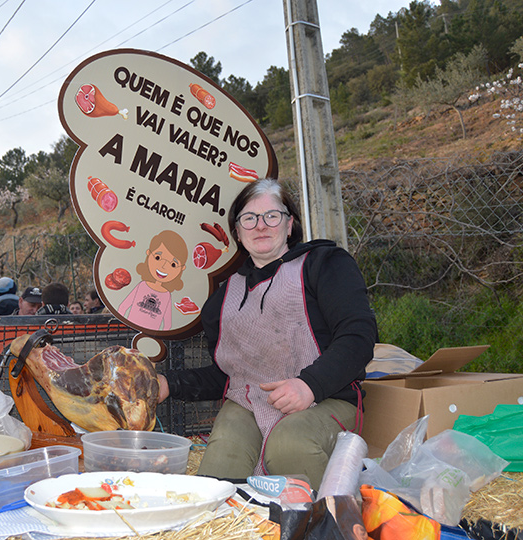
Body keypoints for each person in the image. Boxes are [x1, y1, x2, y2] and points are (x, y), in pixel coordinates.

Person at [157, 178, 377, 488]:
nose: (260, 225)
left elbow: (358, 336)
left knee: (289, 444)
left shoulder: (325, 265)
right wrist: (169, 384)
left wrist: (309, 385)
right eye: (249, 218)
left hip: (326, 398)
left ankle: (329, 523)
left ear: (289, 225)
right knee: (218, 475)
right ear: (237, 231)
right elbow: (229, 375)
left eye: (272, 216)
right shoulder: (222, 301)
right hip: (249, 402)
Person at [117, 230, 187, 331]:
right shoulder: (142, 286)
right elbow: (122, 307)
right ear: (149, 253)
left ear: (182, 268)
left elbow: (167, 325)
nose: (163, 266)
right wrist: (123, 330)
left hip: (150, 339)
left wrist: (158, 339)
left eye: (173, 264)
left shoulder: (167, 295)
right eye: (158, 257)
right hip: (130, 333)